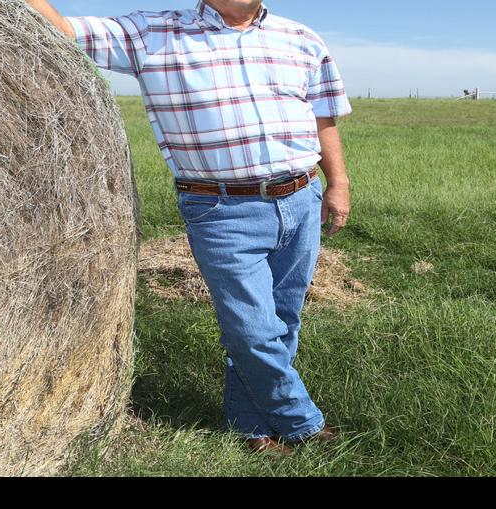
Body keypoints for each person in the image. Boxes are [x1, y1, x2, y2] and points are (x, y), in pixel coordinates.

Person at [22, 0, 353, 454]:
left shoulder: (301, 38)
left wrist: (339, 182)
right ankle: (302, 423)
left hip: (302, 197)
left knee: (281, 320)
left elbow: (323, 118)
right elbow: (60, 28)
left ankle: (250, 425)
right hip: (221, 209)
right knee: (251, 329)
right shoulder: (152, 32)